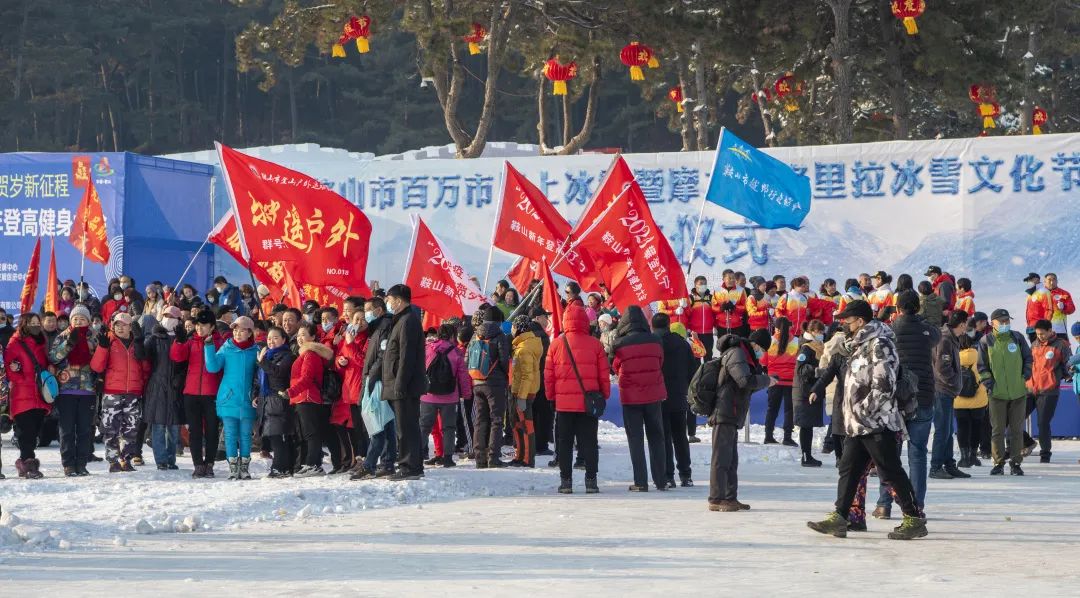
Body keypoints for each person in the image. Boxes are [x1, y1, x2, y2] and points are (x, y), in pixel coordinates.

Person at [807, 300, 927, 540]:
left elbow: (884, 384)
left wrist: (863, 410)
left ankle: (914, 518)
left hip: (877, 422)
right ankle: (840, 516)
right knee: (848, 470)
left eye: (847, 322)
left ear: (860, 321)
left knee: (890, 470)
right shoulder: (857, 346)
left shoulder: (880, 345)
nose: (844, 327)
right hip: (858, 424)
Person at [875, 290, 940, 518]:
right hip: (923, 395)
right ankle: (916, 505)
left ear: (898, 307)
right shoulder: (927, 331)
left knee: (889, 454)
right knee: (918, 453)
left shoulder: (890, 330)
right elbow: (936, 336)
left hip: (896, 397)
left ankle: (884, 504)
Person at [546, 305, 609, 494]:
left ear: (566, 321)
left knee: (564, 442)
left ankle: (566, 481)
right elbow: (603, 375)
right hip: (588, 403)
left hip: (564, 405)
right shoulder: (595, 344)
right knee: (589, 442)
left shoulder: (556, 344)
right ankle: (591, 480)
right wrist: (604, 395)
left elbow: (548, 375)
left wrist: (551, 397)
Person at [708, 331, 772, 512]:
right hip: (725, 411)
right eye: (762, 349)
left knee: (731, 459)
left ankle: (730, 497)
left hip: (732, 412)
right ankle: (716, 498)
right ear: (755, 344)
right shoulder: (737, 353)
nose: (762, 353)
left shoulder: (745, 356)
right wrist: (767, 380)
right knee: (721, 458)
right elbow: (744, 381)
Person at [612, 305, 667, 492]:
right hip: (654, 396)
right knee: (657, 438)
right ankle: (661, 480)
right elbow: (660, 361)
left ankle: (640, 482)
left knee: (635, 439)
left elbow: (615, 366)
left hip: (630, 397)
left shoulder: (620, 344)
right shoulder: (656, 340)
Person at [90, 313, 149, 473]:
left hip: (133, 393)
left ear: (131, 327)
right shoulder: (108, 341)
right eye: (117, 324)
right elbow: (96, 367)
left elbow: (146, 369)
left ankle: (126, 459)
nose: (119, 327)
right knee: (110, 429)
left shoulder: (137, 342)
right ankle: (113, 461)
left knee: (131, 429)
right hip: (112, 392)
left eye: (123, 324)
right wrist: (102, 347)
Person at [204, 315, 260, 480]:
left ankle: (244, 468)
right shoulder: (226, 348)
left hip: (249, 399)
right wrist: (208, 347)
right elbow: (213, 367)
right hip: (228, 398)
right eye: (235, 330)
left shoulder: (256, 351)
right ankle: (233, 468)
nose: (237, 333)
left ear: (249, 333)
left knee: (245, 435)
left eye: (242, 330)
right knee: (230, 434)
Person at [978, 308, 1033, 476]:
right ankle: (998, 462)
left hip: (1018, 393)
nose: (1005, 324)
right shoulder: (986, 341)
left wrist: (1025, 375)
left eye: (1007, 321)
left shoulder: (1017, 337)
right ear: (992, 323)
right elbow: (982, 366)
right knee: (997, 430)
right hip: (997, 394)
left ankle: (1016, 463)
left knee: (1016, 430)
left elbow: (1028, 358)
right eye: (1001, 321)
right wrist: (990, 384)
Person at [171, 309, 224, 478]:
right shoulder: (191, 341)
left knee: (211, 430)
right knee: (194, 430)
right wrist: (179, 341)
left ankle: (209, 463)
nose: (199, 329)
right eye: (197, 325)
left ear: (212, 326)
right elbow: (177, 357)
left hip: (211, 393)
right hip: (191, 392)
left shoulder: (220, 342)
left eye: (203, 325)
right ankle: (198, 464)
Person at [382, 284, 427, 480]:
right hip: (397, 383)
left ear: (399, 300)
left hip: (405, 386)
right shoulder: (400, 320)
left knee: (406, 428)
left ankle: (409, 466)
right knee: (405, 427)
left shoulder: (408, 321)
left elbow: (406, 357)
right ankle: (410, 464)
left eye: (390, 300)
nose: (388, 304)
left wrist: (400, 384)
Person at [48, 305, 99, 477]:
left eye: (82, 319)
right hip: (66, 390)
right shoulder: (62, 336)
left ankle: (82, 463)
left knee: (85, 430)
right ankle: (68, 464)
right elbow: (53, 357)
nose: (78, 321)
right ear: (71, 321)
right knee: (67, 429)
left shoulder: (94, 338)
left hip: (88, 391)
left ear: (88, 321)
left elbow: (101, 361)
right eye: (75, 319)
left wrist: (100, 378)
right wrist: (69, 344)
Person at [6, 313, 52, 479]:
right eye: (31, 323)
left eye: (37, 322)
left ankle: (23, 462)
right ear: (24, 324)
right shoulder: (15, 343)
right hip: (22, 394)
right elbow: (10, 368)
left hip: (39, 394)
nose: (35, 325)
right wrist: (24, 378)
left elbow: (47, 364)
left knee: (35, 431)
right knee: (26, 431)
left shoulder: (42, 342)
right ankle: (28, 463)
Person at [653, 312, 695, 488]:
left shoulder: (653, 343)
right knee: (680, 436)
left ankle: (668, 475)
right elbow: (693, 370)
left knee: (664, 437)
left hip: (659, 395)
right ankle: (686, 475)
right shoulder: (682, 343)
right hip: (679, 395)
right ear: (669, 324)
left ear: (653, 327)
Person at [419, 323, 470, 468]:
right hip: (450, 396)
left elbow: (420, 370)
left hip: (428, 395)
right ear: (453, 335)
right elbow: (463, 376)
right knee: (448, 427)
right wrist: (466, 394)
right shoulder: (456, 352)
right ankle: (447, 457)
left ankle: (417, 455)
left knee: (424, 427)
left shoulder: (428, 349)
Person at [288, 323, 336, 476]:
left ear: (313, 337)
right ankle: (313, 463)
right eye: (299, 335)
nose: (300, 338)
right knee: (309, 432)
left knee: (311, 433)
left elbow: (307, 378)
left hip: (307, 396)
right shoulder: (305, 353)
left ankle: (312, 464)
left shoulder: (310, 354)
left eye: (304, 334)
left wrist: (291, 391)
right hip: (303, 397)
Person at [468, 306, 512, 468]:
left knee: (480, 419)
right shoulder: (500, 336)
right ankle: (493, 457)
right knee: (496, 420)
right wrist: (505, 376)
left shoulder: (475, 335)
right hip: (495, 384)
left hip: (477, 382)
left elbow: (468, 359)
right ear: (499, 320)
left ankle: (480, 458)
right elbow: (504, 360)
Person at [930, 311, 969, 479]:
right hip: (942, 390)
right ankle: (936, 466)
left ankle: (949, 463)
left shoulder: (950, 337)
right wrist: (954, 382)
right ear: (962, 324)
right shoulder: (945, 339)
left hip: (947, 390)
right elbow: (942, 368)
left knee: (948, 429)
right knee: (942, 430)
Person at [1026, 319, 1071, 463]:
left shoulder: (1060, 345)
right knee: (1015, 418)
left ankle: (1045, 453)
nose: (1040, 337)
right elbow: (1028, 364)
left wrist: (1066, 375)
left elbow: (1068, 363)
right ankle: (1027, 443)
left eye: (1043, 334)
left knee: (1042, 423)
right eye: (1038, 334)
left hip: (1049, 390)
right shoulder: (1034, 344)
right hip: (1031, 388)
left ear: (1050, 331)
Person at [143, 312, 184, 471]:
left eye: (173, 316)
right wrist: (140, 340)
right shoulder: (155, 338)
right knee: (158, 425)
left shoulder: (181, 337)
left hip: (175, 387)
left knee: (173, 427)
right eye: (166, 315)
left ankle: (171, 458)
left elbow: (186, 362)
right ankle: (161, 460)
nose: (169, 319)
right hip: (157, 385)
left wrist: (180, 377)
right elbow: (144, 356)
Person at [257, 326, 297, 477]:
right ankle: (284, 467)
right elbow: (260, 379)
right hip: (267, 400)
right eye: (269, 338)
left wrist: (262, 362)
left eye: (275, 338)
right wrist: (256, 395)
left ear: (283, 339)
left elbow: (279, 373)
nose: (271, 341)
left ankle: (280, 467)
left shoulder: (288, 356)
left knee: (278, 435)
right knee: (274, 435)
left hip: (279, 399)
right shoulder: (267, 356)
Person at [332, 311, 369, 473]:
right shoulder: (348, 336)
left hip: (364, 388)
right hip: (350, 388)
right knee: (357, 429)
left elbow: (363, 361)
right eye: (356, 319)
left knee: (365, 428)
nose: (359, 322)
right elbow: (339, 358)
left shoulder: (369, 338)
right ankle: (358, 459)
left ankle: (367, 459)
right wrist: (340, 362)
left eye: (362, 319)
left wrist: (351, 344)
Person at [508, 315, 542, 468]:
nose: (512, 330)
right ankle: (519, 455)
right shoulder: (522, 346)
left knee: (526, 425)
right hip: (518, 391)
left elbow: (527, 375)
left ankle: (527, 458)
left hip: (524, 393)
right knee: (516, 424)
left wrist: (521, 397)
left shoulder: (525, 349)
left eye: (514, 327)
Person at [793, 319, 826, 467]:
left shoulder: (819, 347)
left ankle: (808, 455)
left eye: (822, 332)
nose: (820, 335)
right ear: (812, 332)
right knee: (806, 425)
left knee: (809, 425)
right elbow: (801, 369)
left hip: (813, 390)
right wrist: (816, 371)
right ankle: (806, 456)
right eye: (818, 332)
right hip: (804, 391)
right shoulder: (806, 348)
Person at [762, 316, 798, 446]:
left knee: (772, 409)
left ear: (776, 328)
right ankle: (787, 437)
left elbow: (763, 361)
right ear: (789, 327)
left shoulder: (769, 342)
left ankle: (768, 436)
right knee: (789, 410)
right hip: (790, 381)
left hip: (774, 380)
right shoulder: (796, 342)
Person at [954, 329, 987, 468]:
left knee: (962, 427)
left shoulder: (954, 357)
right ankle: (973, 456)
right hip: (978, 399)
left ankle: (964, 457)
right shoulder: (980, 356)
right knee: (976, 427)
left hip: (958, 399)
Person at [528, 306, 555, 457]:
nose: (548, 320)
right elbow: (546, 361)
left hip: (525, 379)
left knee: (529, 412)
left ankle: (529, 444)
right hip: (540, 378)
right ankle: (541, 445)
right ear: (538, 318)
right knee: (543, 412)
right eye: (546, 316)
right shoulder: (541, 336)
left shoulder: (524, 332)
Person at [714, 269, 748, 339]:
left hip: (737, 325)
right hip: (722, 325)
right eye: (729, 278)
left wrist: (735, 307)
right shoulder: (717, 290)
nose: (732, 280)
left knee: (736, 347)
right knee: (723, 348)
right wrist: (721, 308)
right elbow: (713, 307)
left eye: (733, 278)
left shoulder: (741, 290)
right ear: (723, 279)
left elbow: (746, 307)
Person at [1024, 273, 1053, 342]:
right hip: (1031, 329)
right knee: (1035, 351)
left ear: (1037, 279)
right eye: (1027, 281)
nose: (1028, 282)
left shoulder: (1044, 292)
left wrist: (1044, 327)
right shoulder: (1030, 295)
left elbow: (1049, 310)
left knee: (1043, 350)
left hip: (1040, 329)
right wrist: (1028, 328)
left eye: (1030, 280)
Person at [1044, 273, 1075, 338]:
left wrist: (1064, 306)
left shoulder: (1064, 293)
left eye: (1054, 279)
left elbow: (1072, 308)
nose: (1052, 282)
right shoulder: (1041, 294)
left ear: (1057, 281)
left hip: (1060, 330)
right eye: (1049, 280)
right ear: (1045, 281)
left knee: (1063, 347)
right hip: (1044, 330)